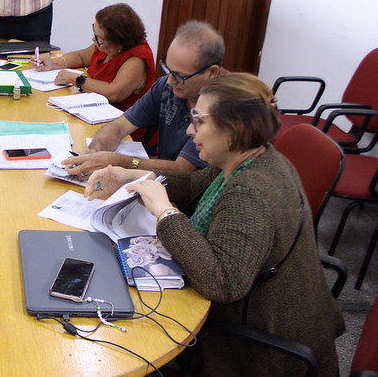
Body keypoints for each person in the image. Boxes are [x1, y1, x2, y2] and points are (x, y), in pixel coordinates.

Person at [85, 73, 344, 376]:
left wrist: (165, 213)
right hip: (258, 313)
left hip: (261, 353)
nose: (190, 130)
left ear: (232, 131)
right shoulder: (250, 157)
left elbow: (222, 282)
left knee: (116, 335)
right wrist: (131, 176)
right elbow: (195, 182)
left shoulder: (250, 192)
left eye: (200, 121)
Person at [62, 20, 224, 178]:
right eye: (167, 69)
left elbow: (183, 168)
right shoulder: (168, 86)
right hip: (159, 180)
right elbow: (120, 126)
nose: (169, 81)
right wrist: (94, 153)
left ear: (211, 72)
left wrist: (120, 162)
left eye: (179, 76)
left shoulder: (223, 105)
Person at [36, 3, 155, 110]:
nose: (94, 40)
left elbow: (113, 93)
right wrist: (53, 63)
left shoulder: (136, 60)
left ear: (118, 43)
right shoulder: (107, 46)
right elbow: (81, 57)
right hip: (91, 108)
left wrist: (75, 79)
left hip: (120, 124)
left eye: (99, 38)